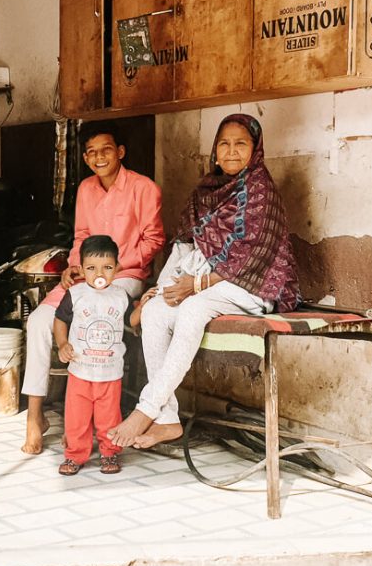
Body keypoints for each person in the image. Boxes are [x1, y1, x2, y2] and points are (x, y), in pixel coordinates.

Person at [110, 114, 300, 449]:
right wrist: (157, 294)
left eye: (240, 144)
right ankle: (168, 421)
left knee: (192, 310)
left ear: (255, 150)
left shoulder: (261, 191)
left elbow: (252, 258)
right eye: (223, 144)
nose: (230, 151)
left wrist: (194, 287)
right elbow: (184, 245)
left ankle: (147, 409)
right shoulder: (206, 191)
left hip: (253, 285)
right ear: (214, 151)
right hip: (202, 281)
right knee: (156, 314)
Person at [21, 125, 164, 454]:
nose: (100, 157)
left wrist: (108, 269)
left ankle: (93, 414)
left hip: (126, 275)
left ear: (121, 152)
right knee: (40, 321)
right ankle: (34, 415)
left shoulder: (144, 189)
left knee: (94, 313)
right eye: (92, 152)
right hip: (85, 277)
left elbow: (154, 240)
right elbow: (81, 236)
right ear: (85, 158)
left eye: (107, 150)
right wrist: (75, 267)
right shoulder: (86, 189)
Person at [53, 235, 128, 475]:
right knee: (77, 419)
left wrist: (144, 305)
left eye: (107, 267)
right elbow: (59, 321)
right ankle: (75, 455)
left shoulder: (121, 296)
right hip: (80, 372)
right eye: (92, 268)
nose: (100, 273)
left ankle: (110, 453)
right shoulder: (75, 294)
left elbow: (133, 322)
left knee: (110, 418)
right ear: (82, 269)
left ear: (117, 268)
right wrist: (62, 343)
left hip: (110, 373)